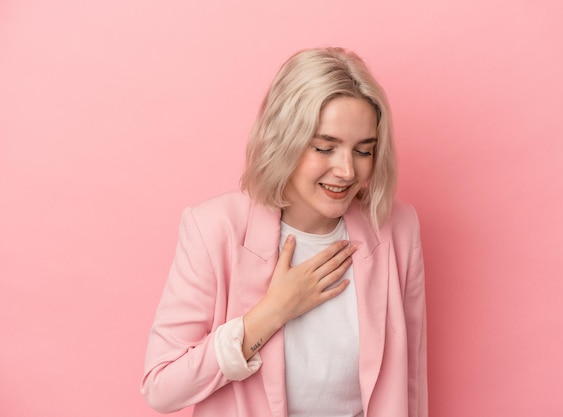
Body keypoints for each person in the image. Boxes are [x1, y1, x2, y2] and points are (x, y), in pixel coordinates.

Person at [141, 47, 427, 417]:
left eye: (363, 151)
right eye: (325, 147)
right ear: (284, 140)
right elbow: (160, 387)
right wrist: (273, 312)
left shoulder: (398, 228)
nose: (346, 170)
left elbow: (410, 381)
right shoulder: (215, 229)